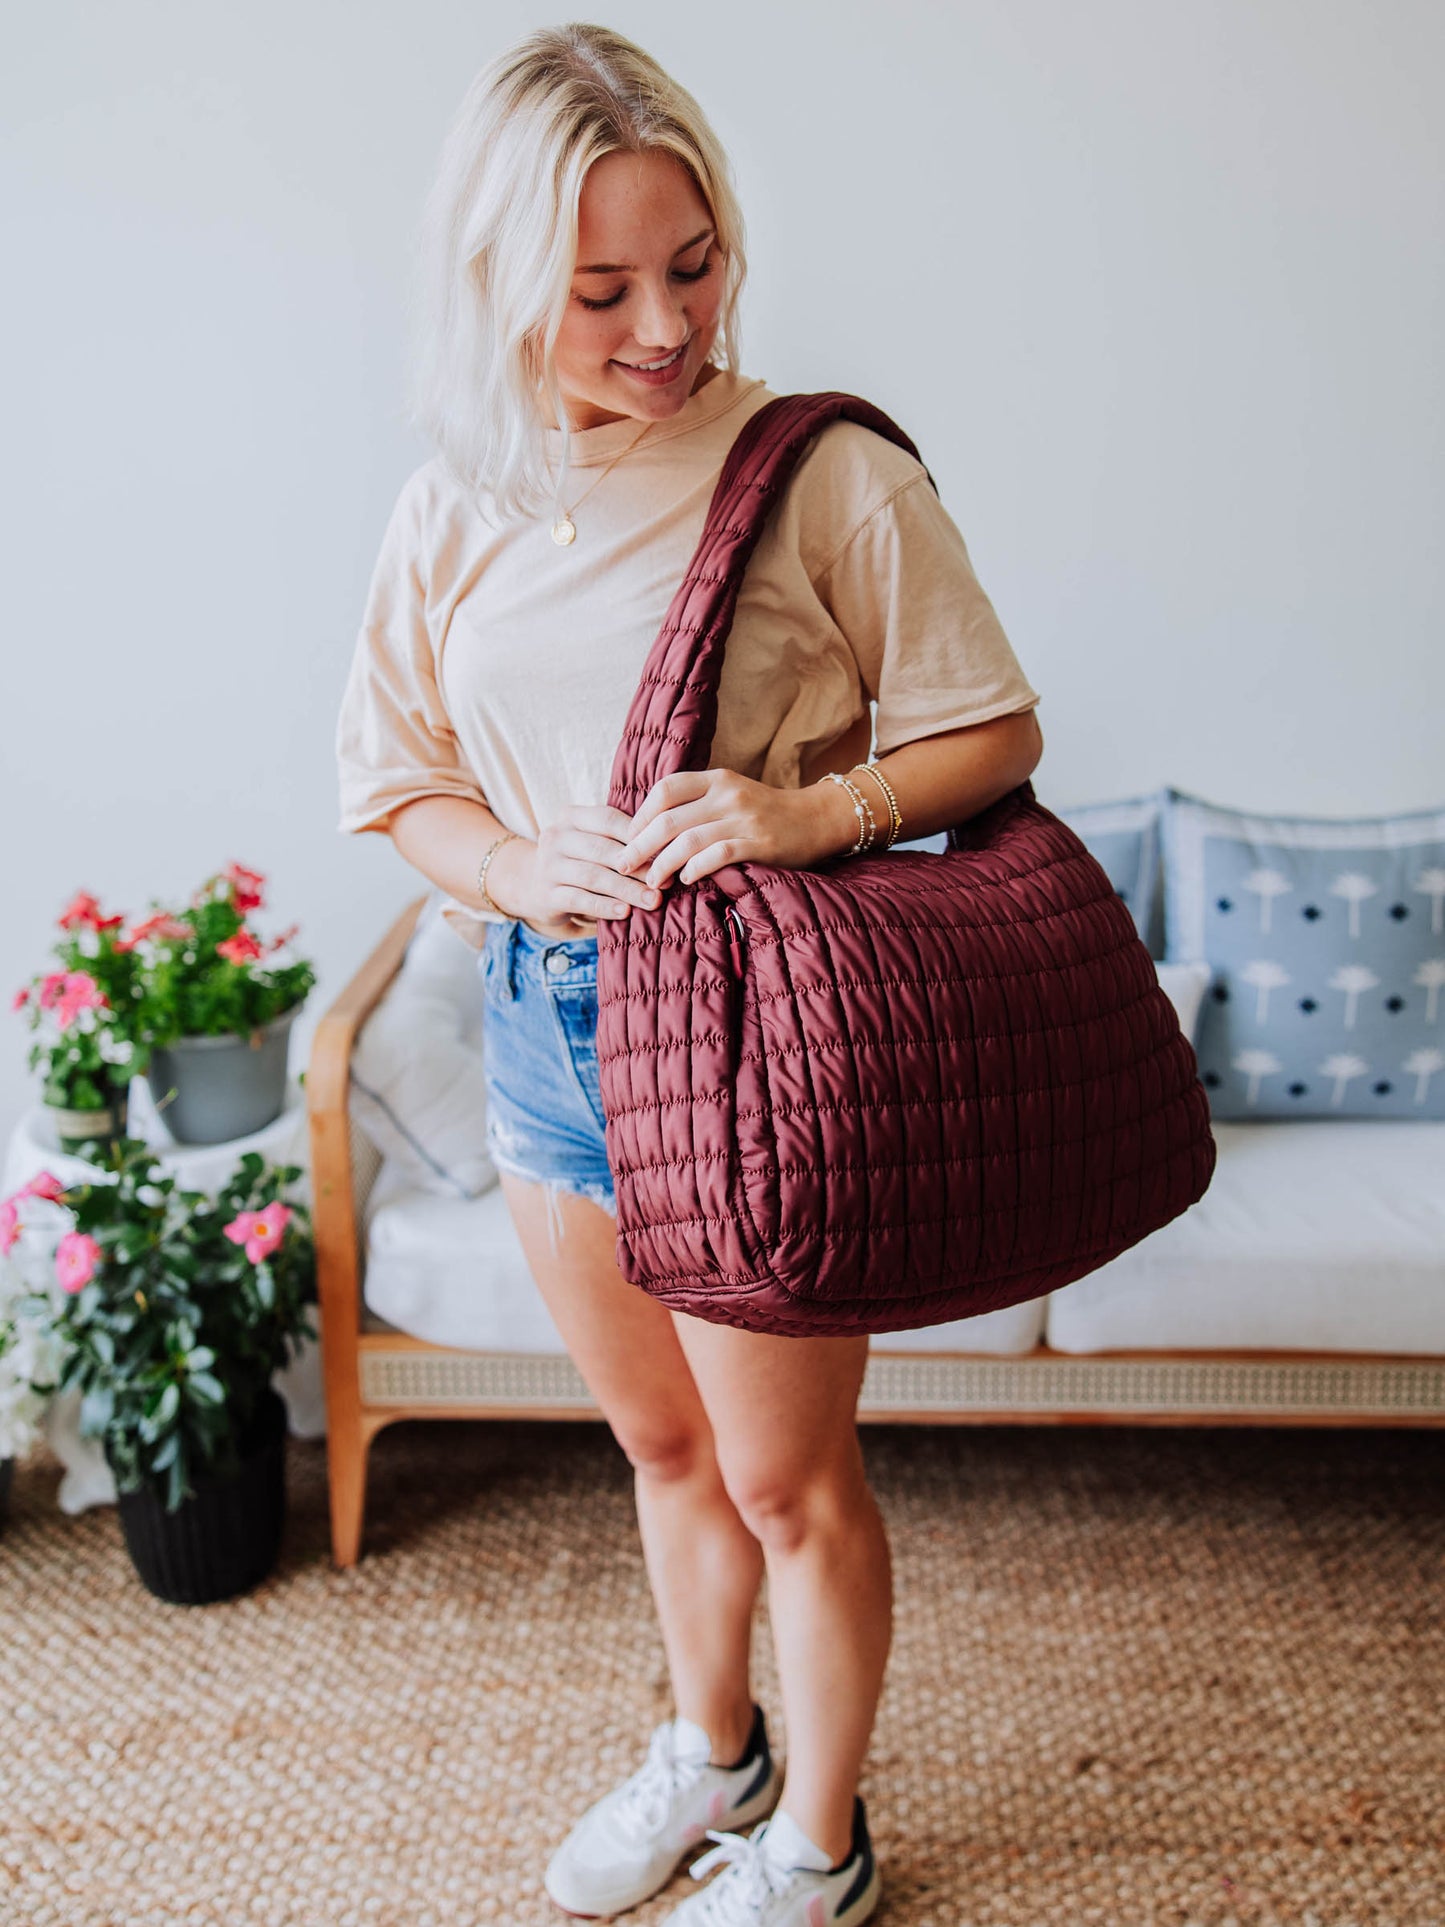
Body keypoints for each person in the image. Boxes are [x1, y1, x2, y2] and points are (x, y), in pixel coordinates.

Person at [336, 24, 1044, 1926]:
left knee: (788, 1482)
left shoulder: (813, 473)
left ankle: (821, 1839)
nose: (664, 322)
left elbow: (991, 732)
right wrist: (506, 857)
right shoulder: (449, 505)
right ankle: (710, 1750)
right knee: (660, 1445)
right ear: (498, 283)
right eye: (600, 288)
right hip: (542, 1024)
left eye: (694, 261)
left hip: (758, 1041)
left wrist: (808, 816)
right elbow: (397, 778)